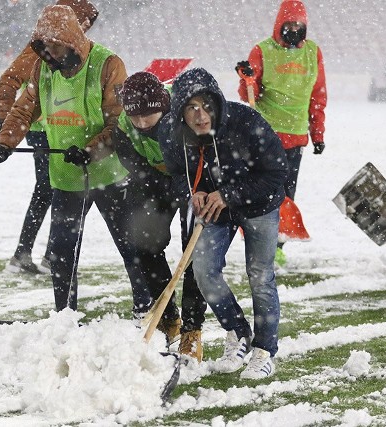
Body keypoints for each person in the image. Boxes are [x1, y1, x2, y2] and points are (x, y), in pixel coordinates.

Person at [0, 5, 142, 314]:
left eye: (56, 45)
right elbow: (25, 109)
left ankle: (144, 305)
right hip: (67, 177)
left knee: (130, 246)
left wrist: (90, 150)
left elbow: (120, 123)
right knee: (61, 250)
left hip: (110, 174)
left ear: (73, 38)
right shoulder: (43, 69)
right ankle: (64, 314)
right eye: (45, 47)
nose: (51, 54)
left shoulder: (108, 65)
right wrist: (4, 143)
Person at [158, 68, 288, 379]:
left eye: (206, 106)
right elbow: (177, 174)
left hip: (259, 205)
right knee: (203, 271)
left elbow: (276, 173)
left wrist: (229, 194)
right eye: (191, 108)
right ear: (180, 112)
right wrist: (193, 192)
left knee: (260, 276)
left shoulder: (247, 123)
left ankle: (265, 350)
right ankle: (238, 331)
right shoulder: (174, 135)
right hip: (217, 209)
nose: (200, 115)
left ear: (217, 104)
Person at [0, 0, 99, 275]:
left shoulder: (78, 52)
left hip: (64, 129)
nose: (86, 29)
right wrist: (5, 117)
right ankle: (45, 254)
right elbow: (7, 81)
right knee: (56, 188)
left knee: (53, 190)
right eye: (84, 22)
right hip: (44, 130)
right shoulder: (44, 50)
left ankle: (36, 253)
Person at [113, 71, 207, 361]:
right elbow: (130, 161)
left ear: (163, 107)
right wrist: (156, 186)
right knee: (144, 243)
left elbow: (203, 155)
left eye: (148, 116)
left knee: (194, 255)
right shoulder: (124, 124)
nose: (141, 123)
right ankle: (169, 319)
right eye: (135, 117)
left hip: (194, 181)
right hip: (155, 179)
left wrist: (189, 190)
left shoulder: (184, 117)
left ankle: (192, 331)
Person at [236, 0, 327, 265]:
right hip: (265, 136)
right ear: (280, 24)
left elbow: (318, 95)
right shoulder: (263, 50)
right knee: (263, 191)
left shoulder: (313, 53)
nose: (294, 29)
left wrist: (317, 133)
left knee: (286, 195)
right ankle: (257, 240)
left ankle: (277, 245)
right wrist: (248, 79)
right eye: (289, 24)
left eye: (299, 25)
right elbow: (248, 94)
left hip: (296, 138)